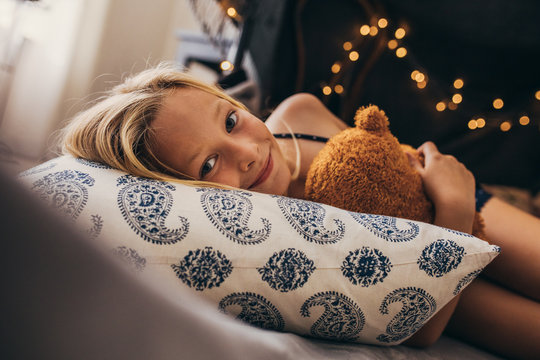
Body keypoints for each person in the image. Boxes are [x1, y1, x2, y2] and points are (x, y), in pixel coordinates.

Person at [61, 64, 540, 359]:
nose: (245, 151)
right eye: (208, 164)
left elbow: (389, 154)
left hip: (457, 202)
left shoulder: (301, 115)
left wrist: (449, 187)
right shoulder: (278, 238)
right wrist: (454, 208)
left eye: (230, 120)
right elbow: (421, 328)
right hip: (442, 268)